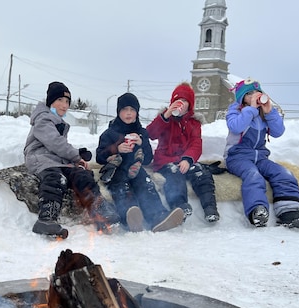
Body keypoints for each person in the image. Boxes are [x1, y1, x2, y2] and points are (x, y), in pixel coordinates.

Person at [24, 81, 120, 238]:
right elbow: (55, 142)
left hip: (56, 160)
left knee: (82, 175)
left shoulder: (57, 121)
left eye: (67, 101)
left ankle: (99, 208)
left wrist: (77, 158)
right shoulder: (43, 119)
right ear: (50, 102)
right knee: (56, 178)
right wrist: (75, 155)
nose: (64, 105)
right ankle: (46, 218)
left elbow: (59, 147)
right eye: (60, 100)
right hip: (40, 158)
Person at [224, 78, 299, 228]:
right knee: (253, 176)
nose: (255, 96)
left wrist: (269, 112)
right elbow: (236, 127)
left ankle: (288, 212)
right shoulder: (236, 110)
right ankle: (257, 211)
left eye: (257, 92)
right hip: (237, 157)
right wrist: (250, 110)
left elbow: (278, 132)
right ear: (242, 98)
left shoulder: (263, 113)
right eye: (249, 93)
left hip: (260, 157)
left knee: (284, 174)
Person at [96, 93, 185, 232]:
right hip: (117, 170)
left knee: (146, 185)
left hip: (136, 169)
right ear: (119, 112)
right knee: (122, 188)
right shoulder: (110, 133)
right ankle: (130, 217)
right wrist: (116, 149)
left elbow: (148, 158)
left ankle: (158, 217)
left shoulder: (141, 132)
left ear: (137, 112)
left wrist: (142, 143)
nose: (129, 113)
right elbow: (99, 156)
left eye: (132, 110)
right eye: (125, 109)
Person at [146, 82, 220, 223]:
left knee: (202, 173)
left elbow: (196, 143)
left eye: (185, 101)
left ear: (190, 105)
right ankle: (179, 207)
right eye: (178, 100)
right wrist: (166, 115)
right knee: (174, 176)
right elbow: (150, 133)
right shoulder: (165, 119)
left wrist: (188, 159)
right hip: (166, 160)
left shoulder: (194, 123)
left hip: (185, 160)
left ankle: (210, 208)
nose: (181, 103)